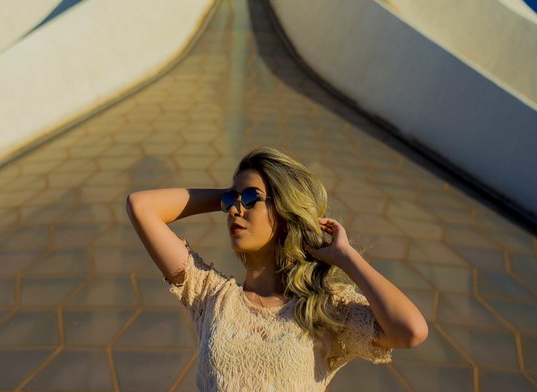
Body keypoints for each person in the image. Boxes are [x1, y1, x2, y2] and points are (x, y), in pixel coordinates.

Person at [126, 146, 428, 391]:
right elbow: (141, 206)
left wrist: (346, 257)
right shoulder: (210, 296)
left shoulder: (324, 308)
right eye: (231, 201)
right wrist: (230, 194)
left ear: (285, 210)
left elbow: (410, 331)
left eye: (250, 199)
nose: (234, 209)